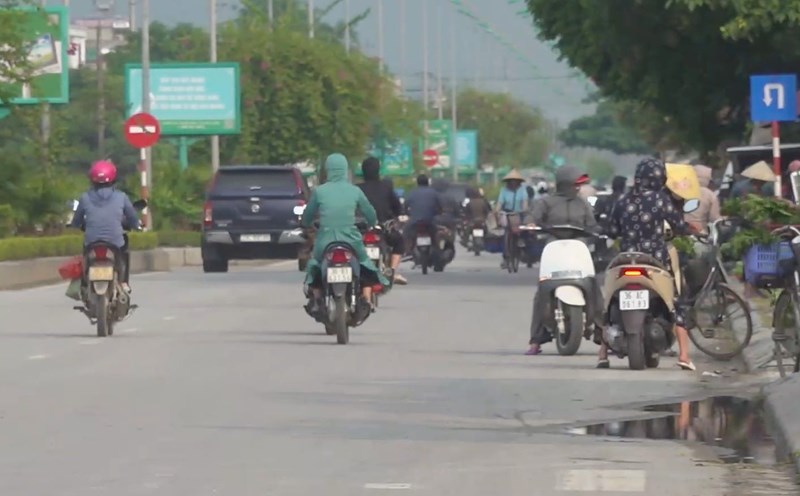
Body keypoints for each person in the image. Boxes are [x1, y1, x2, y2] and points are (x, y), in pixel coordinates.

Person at [598, 157, 698, 371]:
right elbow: (679, 226)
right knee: (676, 303)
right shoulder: (660, 201)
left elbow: (611, 231)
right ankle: (683, 355)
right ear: (659, 178)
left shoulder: (622, 201)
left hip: (625, 258)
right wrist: (689, 230)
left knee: (609, 303)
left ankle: (602, 354)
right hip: (655, 260)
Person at [301, 153, 390, 317]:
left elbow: (308, 215)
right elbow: (369, 212)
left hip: (325, 240)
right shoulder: (354, 191)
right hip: (351, 239)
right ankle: (365, 296)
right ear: (345, 170)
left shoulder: (320, 191)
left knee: (315, 264)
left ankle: (317, 298)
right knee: (364, 262)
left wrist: (305, 225)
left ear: (327, 170)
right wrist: (372, 223)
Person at [526, 165, 601, 355]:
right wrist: (531, 225)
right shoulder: (546, 202)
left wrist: (596, 233)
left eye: (579, 185)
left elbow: (592, 225)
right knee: (541, 291)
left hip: (578, 247)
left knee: (594, 287)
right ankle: (536, 340)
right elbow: (532, 218)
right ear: (564, 184)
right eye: (575, 184)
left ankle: (603, 332)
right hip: (554, 246)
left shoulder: (582, 203)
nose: (578, 188)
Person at [70, 160, 139, 293]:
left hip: (91, 242)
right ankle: (124, 282)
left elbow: (76, 220)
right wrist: (137, 225)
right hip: (115, 242)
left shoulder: (85, 198)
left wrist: (75, 225)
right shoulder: (121, 197)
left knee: (85, 254)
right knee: (124, 251)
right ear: (113, 178)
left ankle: (83, 284)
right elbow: (132, 217)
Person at [357, 157, 408, 285]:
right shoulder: (386, 188)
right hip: (383, 230)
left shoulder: (356, 189)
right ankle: (392, 271)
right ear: (378, 171)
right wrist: (400, 215)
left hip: (360, 231)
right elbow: (397, 208)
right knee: (399, 241)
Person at [404, 174, 442, 248]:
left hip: (415, 221)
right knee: (435, 235)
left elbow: (405, 205)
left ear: (417, 183)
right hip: (430, 221)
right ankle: (436, 249)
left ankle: (407, 249)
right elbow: (440, 207)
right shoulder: (434, 193)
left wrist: (407, 213)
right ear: (427, 182)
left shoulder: (412, 192)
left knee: (406, 232)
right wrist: (438, 213)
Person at [685, 164, 720, 234]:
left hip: (681, 229)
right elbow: (714, 218)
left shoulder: (681, 190)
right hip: (699, 232)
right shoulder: (710, 195)